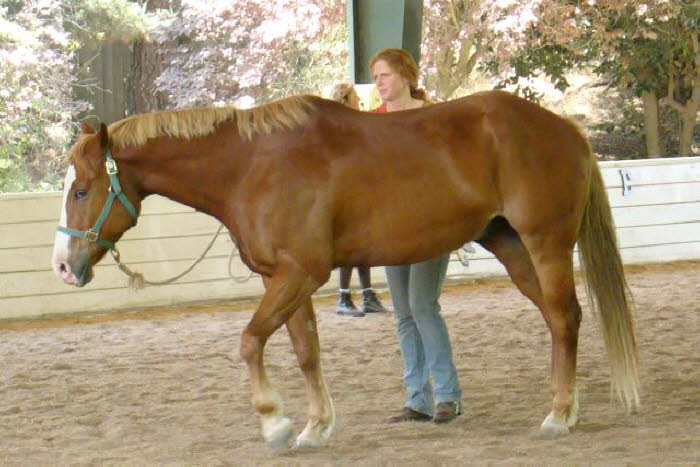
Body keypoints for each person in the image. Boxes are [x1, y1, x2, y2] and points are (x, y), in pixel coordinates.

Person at [369, 48, 462, 424]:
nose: (379, 84)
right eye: (375, 77)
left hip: (430, 222)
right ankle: (417, 399)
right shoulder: (371, 122)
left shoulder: (433, 116)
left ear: (406, 76)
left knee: (422, 306)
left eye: (384, 76)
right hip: (392, 227)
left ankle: (448, 395)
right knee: (405, 314)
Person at [328, 83, 388, 317]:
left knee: (362, 245)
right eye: (355, 97)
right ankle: (344, 296)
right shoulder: (341, 126)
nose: (359, 101)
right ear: (346, 98)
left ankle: (366, 294)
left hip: (358, 188)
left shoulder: (348, 123)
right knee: (351, 246)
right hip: (347, 191)